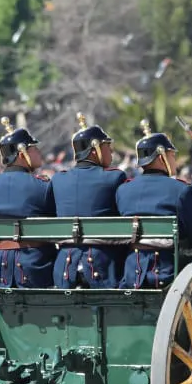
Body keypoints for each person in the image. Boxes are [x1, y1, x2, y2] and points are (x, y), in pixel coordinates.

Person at [116, 121, 192, 288]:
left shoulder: (123, 191)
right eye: (172, 155)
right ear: (161, 156)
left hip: (131, 275)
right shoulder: (182, 191)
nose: (174, 160)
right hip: (168, 275)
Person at [0, 117, 56, 287]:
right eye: (34, 149)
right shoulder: (42, 187)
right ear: (22, 153)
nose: (39, 152)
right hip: (37, 267)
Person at [50, 113, 127, 288]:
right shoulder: (114, 177)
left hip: (64, 267)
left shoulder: (58, 179)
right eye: (107, 146)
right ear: (95, 149)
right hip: (105, 266)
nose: (111, 151)